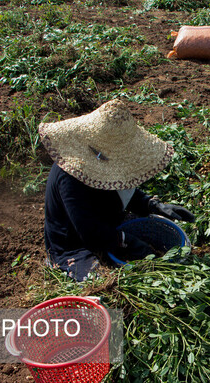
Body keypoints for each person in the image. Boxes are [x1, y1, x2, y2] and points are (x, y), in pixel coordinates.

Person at [40, 99, 195, 281]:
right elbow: (89, 230)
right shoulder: (70, 176)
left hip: (104, 220)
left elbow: (118, 186)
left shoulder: (103, 162)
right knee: (102, 281)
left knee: (151, 227)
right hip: (75, 241)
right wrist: (126, 241)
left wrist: (152, 204)